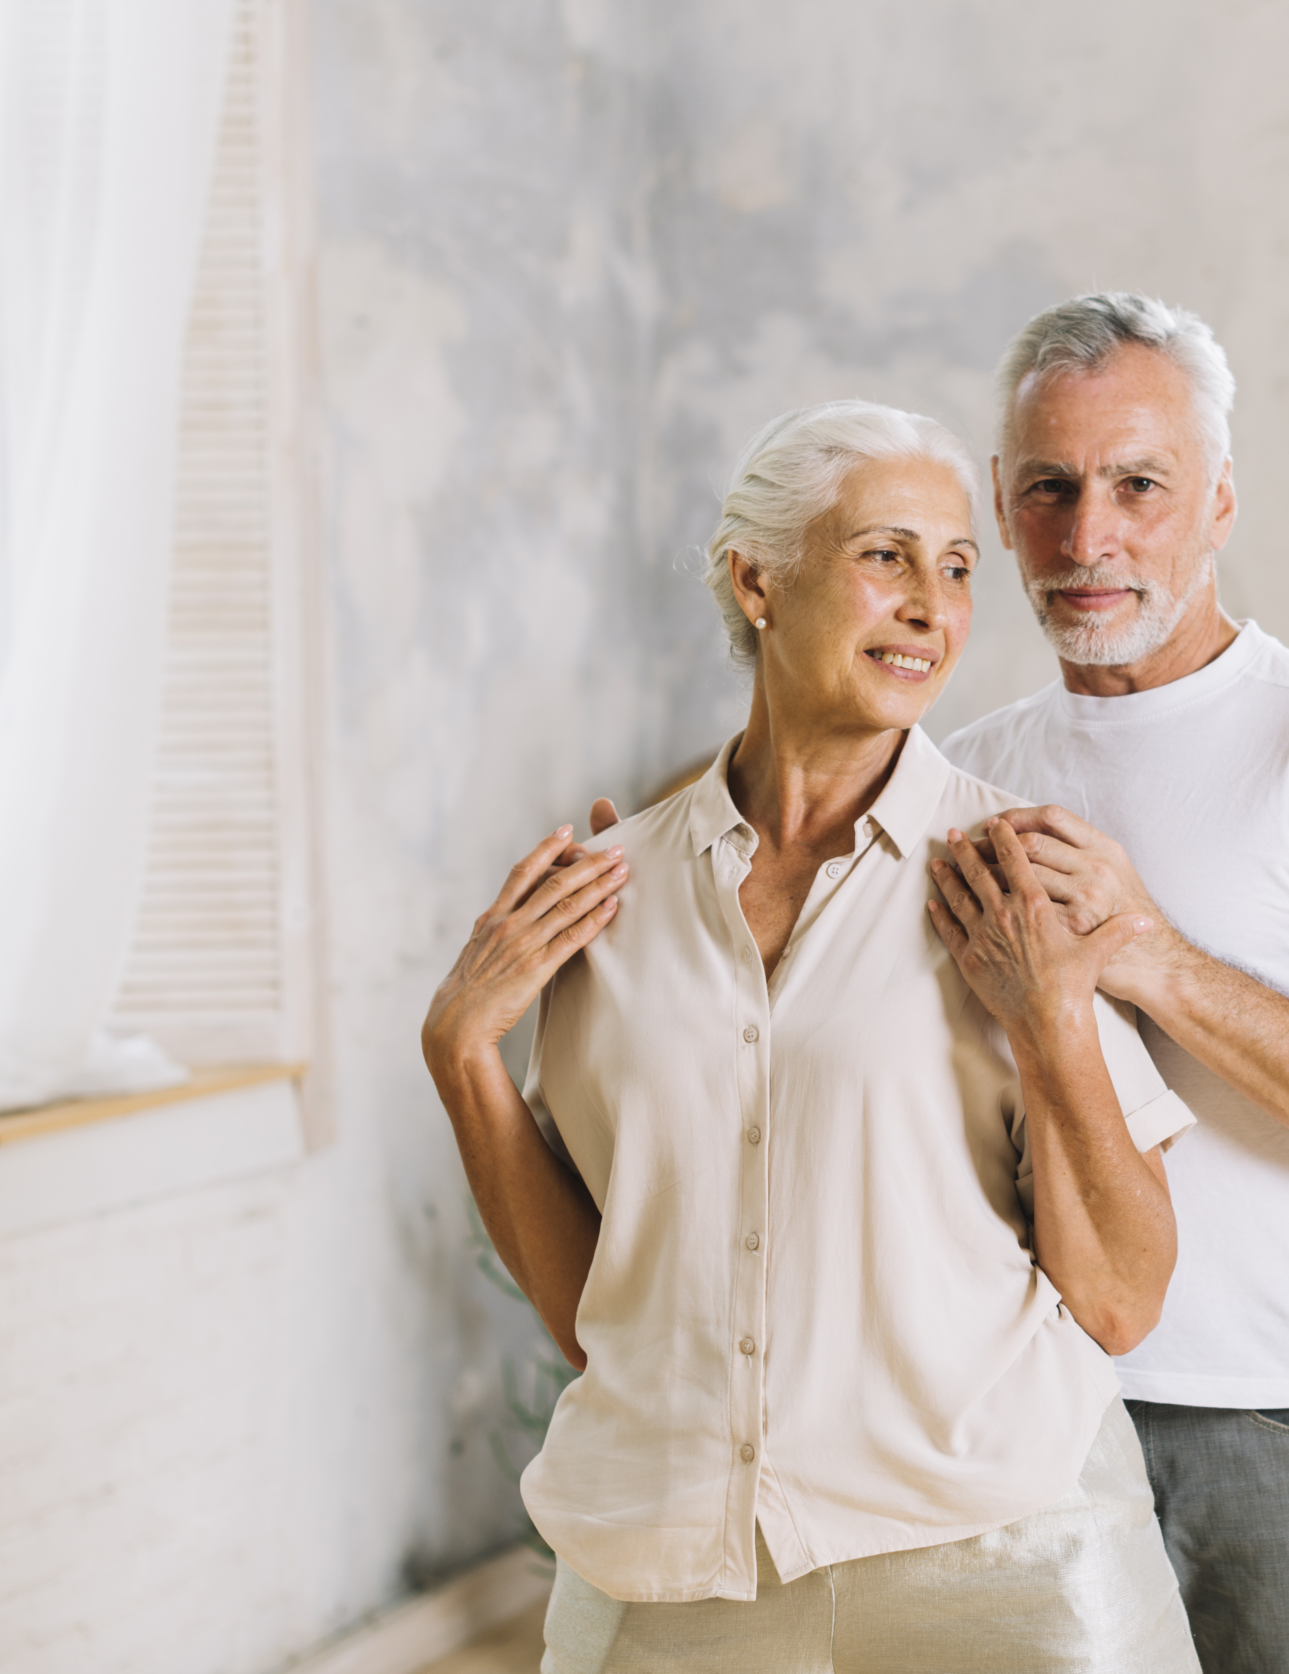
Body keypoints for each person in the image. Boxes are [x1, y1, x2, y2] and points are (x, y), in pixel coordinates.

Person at [420, 400, 1201, 1674]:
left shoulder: (1014, 880)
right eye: (886, 555)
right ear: (757, 582)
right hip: (675, 1564)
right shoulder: (609, 900)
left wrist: (1052, 1012)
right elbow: (600, 1312)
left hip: (1003, 1561)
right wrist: (462, 1057)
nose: (930, 606)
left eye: (957, 567)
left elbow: (1119, 1297)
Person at [936, 294, 1289, 1673]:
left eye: (1139, 485)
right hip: (1039, 1413)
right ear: (1002, 506)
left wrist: (1154, 956)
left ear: (1220, 501)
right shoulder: (968, 770)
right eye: (1050, 489)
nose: (1090, 537)